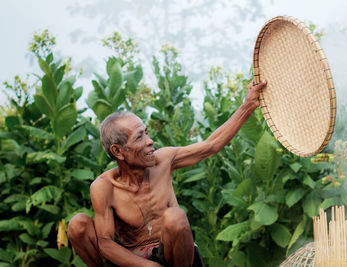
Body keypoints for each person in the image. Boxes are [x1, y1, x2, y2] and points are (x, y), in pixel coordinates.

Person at [67, 81, 267, 267]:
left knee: (174, 217)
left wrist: (248, 105)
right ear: (118, 151)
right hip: (135, 259)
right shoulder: (104, 187)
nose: (150, 141)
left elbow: (211, 146)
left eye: (146, 132)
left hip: (175, 256)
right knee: (78, 225)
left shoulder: (163, 160)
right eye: (139, 137)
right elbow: (105, 243)